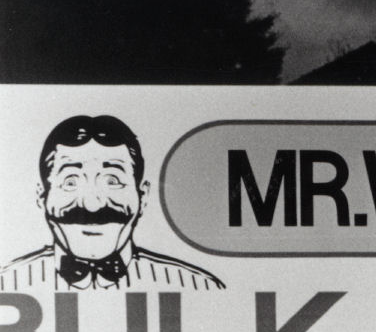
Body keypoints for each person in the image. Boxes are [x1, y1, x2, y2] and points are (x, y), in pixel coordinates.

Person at [0, 114, 225, 291]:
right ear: (42, 197)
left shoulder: (198, 286)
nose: (92, 204)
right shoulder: (8, 284)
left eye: (112, 181)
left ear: (143, 196)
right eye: (71, 181)